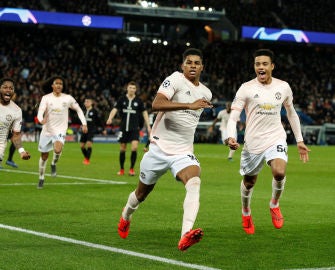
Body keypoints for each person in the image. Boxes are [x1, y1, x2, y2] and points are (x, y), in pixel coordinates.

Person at [117, 48, 213, 251]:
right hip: (158, 149)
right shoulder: (175, 79)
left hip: (183, 152)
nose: (193, 65)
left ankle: (185, 234)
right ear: (182, 66)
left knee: (194, 181)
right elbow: (156, 104)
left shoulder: (206, 93)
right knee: (141, 194)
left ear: (202, 66)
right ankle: (126, 215)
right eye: (189, 62)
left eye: (197, 62)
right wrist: (189, 105)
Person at [225, 49, 310, 234]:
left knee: (279, 172)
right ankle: (246, 212)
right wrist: (230, 136)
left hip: (276, 137)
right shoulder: (246, 88)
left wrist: (300, 140)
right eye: (257, 64)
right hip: (253, 142)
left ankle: (274, 204)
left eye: (264, 64)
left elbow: (291, 113)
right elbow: (233, 116)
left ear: (272, 66)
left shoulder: (283, 87)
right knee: (249, 182)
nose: (260, 67)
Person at [36, 75, 88, 189]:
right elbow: (40, 111)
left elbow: (79, 110)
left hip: (60, 130)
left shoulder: (68, 98)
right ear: (52, 86)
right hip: (47, 130)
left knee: (58, 149)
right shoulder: (46, 98)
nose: (59, 85)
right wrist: (41, 120)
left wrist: (84, 123)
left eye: (61, 84)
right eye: (57, 83)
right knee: (44, 156)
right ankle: (41, 177)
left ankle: (54, 163)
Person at [106, 81, 151, 176]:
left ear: (136, 90)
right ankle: (122, 169)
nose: (132, 90)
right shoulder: (122, 99)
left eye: (134, 88)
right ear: (127, 88)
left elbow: (144, 113)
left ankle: (131, 169)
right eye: (130, 88)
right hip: (123, 128)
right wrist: (110, 118)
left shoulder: (138, 101)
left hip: (134, 128)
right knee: (122, 148)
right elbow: (115, 109)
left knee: (134, 147)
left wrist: (148, 126)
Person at [0, 77, 31, 168]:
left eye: (11, 88)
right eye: (5, 87)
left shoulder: (17, 111)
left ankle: (9, 159)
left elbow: (16, 135)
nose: (8, 90)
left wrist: (22, 151)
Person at [80, 97, 103, 165]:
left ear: (91, 103)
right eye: (85, 102)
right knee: (82, 146)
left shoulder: (94, 111)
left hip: (91, 130)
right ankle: (86, 157)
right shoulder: (82, 110)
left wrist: (103, 129)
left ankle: (87, 160)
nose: (86, 103)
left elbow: (99, 120)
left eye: (88, 101)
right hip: (84, 130)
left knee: (89, 144)